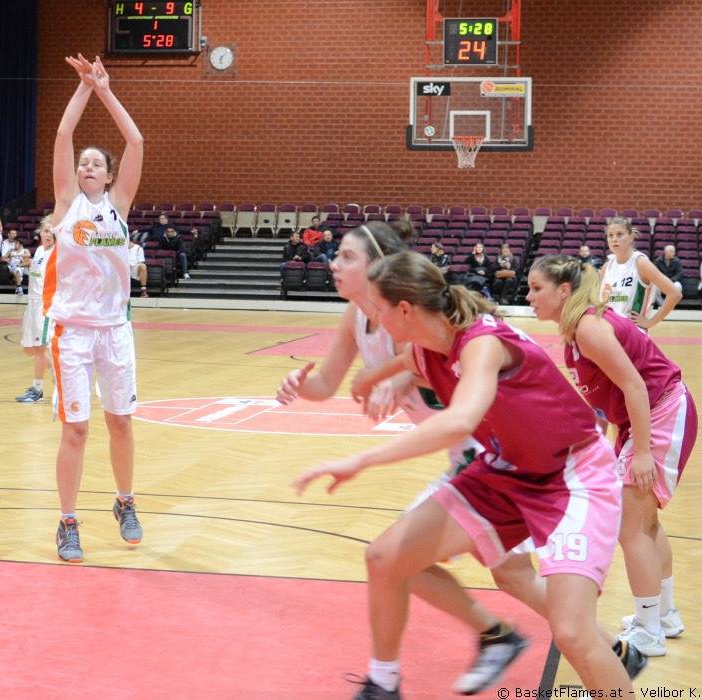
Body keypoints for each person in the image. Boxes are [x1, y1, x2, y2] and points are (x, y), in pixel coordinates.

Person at [293, 251, 635, 699]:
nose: (372, 319)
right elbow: (410, 361)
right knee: (385, 559)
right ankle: (383, 685)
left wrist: (360, 460)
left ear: (404, 310)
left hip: (573, 472)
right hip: (506, 470)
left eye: (377, 308)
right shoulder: (427, 345)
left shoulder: (481, 342)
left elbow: (458, 422)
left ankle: (616, 664)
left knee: (572, 631)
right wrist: (376, 376)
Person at [527, 255, 697, 657]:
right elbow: (601, 401)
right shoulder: (577, 329)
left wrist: (642, 452)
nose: (529, 296)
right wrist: (597, 451)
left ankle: (649, 631)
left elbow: (635, 386)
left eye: (536, 288)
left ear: (563, 291)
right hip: (642, 418)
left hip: (660, 412)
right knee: (645, 524)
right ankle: (664, 615)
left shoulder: (589, 327)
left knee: (629, 527)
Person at [44, 52, 144, 563]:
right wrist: (83, 87)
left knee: (120, 422)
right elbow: (64, 134)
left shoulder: (118, 206)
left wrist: (105, 89)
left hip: (115, 331)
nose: (87, 166)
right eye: (83, 162)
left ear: (108, 177)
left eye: (96, 163)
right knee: (77, 429)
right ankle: (67, 522)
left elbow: (136, 142)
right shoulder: (67, 203)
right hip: (73, 332)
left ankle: (125, 501)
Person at [600, 217, 681, 332]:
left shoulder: (640, 263)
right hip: (609, 332)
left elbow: (675, 294)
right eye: (610, 235)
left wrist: (650, 322)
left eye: (619, 234)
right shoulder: (606, 267)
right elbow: (601, 302)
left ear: (631, 237)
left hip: (634, 333)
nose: (614, 239)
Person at [15, 217, 56, 403]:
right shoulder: (39, 251)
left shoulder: (57, 252)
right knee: (28, 349)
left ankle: (37, 390)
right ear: (40, 231)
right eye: (46, 231)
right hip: (31, 302)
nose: (49, 235)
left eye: (52, 232)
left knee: (39, 349)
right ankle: (55, 371)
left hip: (44, 304)